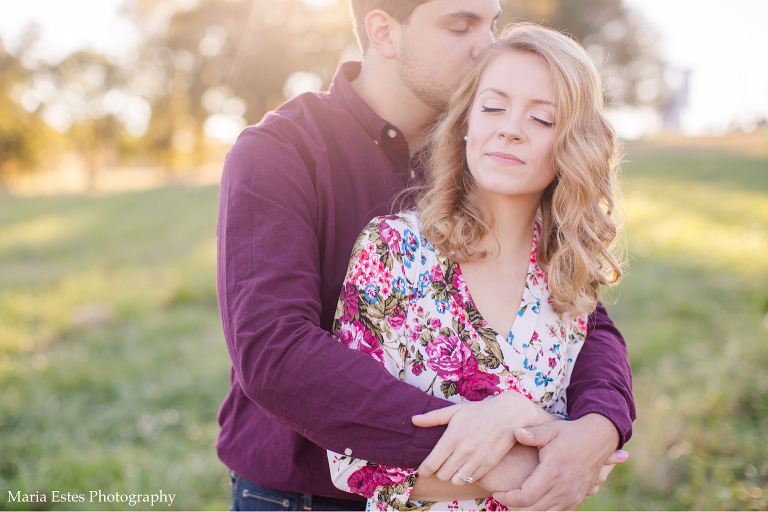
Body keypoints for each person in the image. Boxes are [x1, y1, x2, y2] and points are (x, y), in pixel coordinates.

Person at [216, 1, 635, 510]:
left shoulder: (488, 151)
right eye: (460, 25)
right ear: (385, 33)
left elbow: (575, 307)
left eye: (491, 23)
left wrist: (600, 425)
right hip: (302, 495)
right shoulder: (280, 152)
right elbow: (274, 351)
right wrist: (499, 456)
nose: (486, 44)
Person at [327, 22, 625, 511]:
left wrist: (540, 423)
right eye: (493, 106)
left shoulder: (568, 270)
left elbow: (586, 435)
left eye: (543, 119)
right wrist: (524, 437)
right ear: (466, 121)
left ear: (572, 143)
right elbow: (353, 462)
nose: (510, 127)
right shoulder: (392, 251)